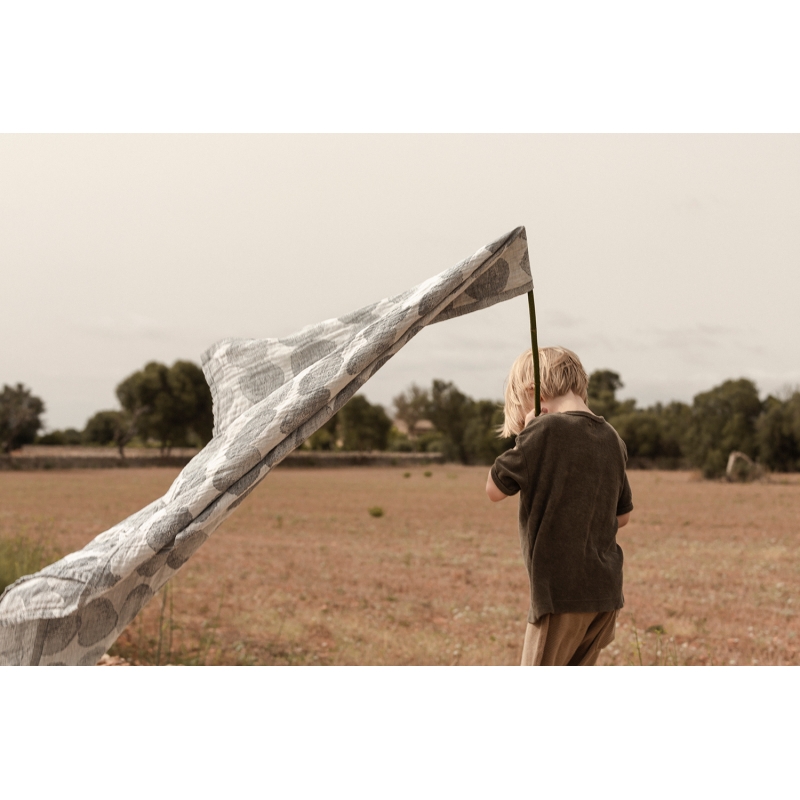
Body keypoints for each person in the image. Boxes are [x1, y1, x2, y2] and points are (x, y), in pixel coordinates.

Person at [486, 346, 633, 666]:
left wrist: (526, 434)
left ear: (535, 394)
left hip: (560, 594)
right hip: (605, 594)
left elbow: (494, 489)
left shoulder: (543, 430)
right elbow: (622, 517)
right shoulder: (612, 437)